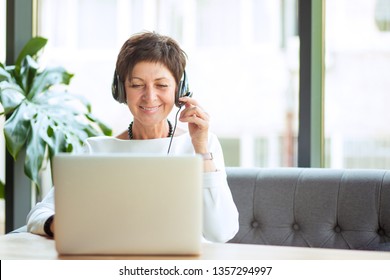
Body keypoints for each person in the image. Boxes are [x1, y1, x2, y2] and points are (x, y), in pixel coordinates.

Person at [26, 31, 239, 243]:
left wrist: (200, 149)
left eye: (162, 85)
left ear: (179, 90)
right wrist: (62, 225)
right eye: (137, 85)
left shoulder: (202, 144)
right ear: (121, 90)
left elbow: (221, 232)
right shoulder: (97, 151)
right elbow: (39, 214)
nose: (150, 96)